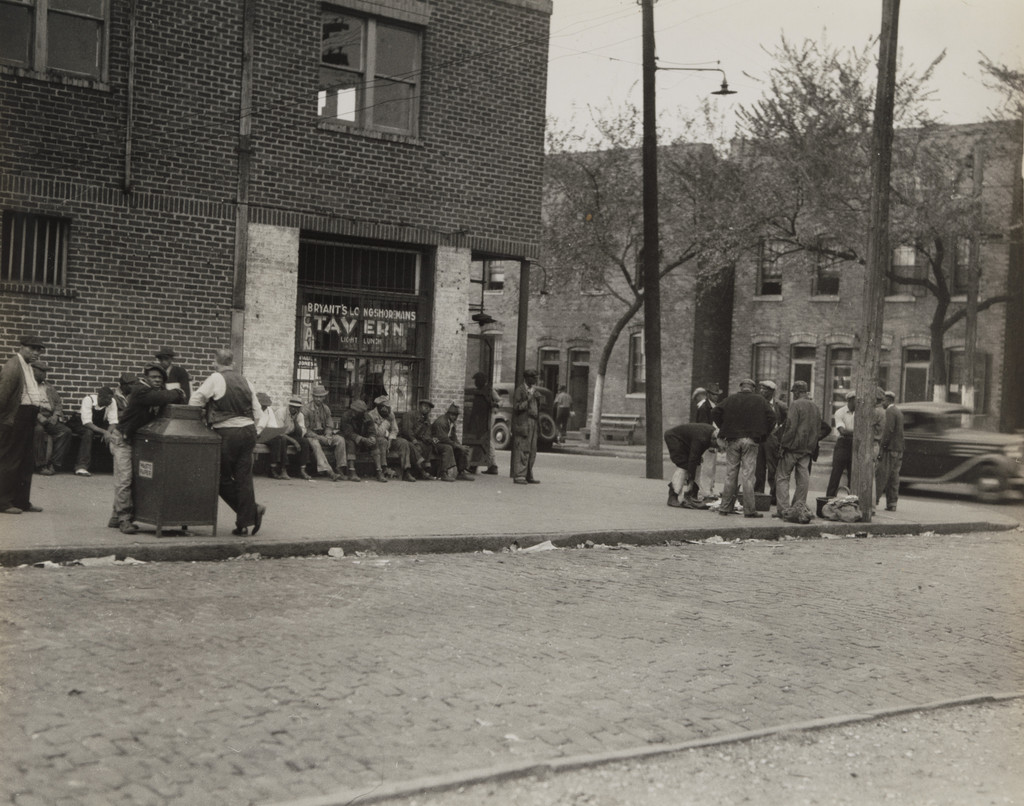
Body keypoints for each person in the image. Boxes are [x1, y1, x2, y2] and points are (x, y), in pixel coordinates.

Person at [188, 349, 265, 537]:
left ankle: (252, 511)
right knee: (244, 479)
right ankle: (244, 523)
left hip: (227, 432)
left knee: (220, 478)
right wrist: (254, 430)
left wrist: (200, 413)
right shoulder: (245, 381)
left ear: (216, 362)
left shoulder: (216, 378)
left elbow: (195, 399)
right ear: (233, 363)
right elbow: (258, 413)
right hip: (248, 431)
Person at [110, 364, 188, 534]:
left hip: (134, 440)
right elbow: (162, 397)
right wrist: (178, 392)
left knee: (130, 478)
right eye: (153, 377)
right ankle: (124, 519)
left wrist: (176, 395)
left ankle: (116, 517)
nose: (157, 380)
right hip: (122, 439)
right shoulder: (140, 390)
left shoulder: (156, 393)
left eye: (160, 378)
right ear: (146, 378)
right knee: (124, 479)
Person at [712, 378, 774, 518]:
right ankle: (749, 510)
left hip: (733, 440)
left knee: (730, 474)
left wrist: (724, 428)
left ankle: (725, 508)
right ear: (753, 388)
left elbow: (715, 412)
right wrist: (764, 434)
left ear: (741, 387)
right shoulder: (760, 400)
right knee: (748, 476)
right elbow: (772, 417)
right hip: (751, 440)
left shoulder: (731, 399)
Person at [0, 334, 48, 515]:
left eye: (39, 350)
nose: (36, 353)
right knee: (10, 460)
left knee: (26, 461)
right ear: (21, 347)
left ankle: (21, 501)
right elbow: (3, 396)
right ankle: (3, 502)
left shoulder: (28, 366)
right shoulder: (13, 366)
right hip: (15, 418)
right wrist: (5, 421)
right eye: (32, 348)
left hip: (28, 417)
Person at [774, 380, 822, 522]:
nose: (793, 394)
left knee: (782, 476)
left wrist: (783, 445)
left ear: (798, 392)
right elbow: (818, 428)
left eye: (794, 392)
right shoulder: (815, 406)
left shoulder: (795, 405)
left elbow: (790, 427)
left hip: (793, 447)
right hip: (807, 449)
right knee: (803, 478)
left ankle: (783, 510)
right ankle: (797, 508)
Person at [32, 361, 72, 476]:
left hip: (49, 416)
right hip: (34, 416)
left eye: (45, 372)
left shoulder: (49, 387)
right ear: (33, 371)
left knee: (65, 432)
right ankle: (40, 465)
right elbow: (25, 404)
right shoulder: (28, 386)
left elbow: (58, 403)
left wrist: (56, 415)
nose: (44, 374)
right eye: (42, 371)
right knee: (38, 430)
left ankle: (53, 463)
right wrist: (38, 416)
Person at [663, 422, 718, 509]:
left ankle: (693, 495)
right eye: (716, 446)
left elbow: (696, 456)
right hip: (674, 438)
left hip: (685, 441)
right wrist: (690, 479)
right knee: (683, 465)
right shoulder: (702, 438)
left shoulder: (711, 434)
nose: (716, 449)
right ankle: (673, 496)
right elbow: (693, 458)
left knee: (698, 463)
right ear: (714, 440)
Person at [368, 395, 416, 481]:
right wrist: (387, 421)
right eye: (384, 406)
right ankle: (382, 470)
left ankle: (406, 471)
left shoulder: (390, 414)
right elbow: (378, 433)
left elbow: (395, 430)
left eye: (388, 406)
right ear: (379, 406)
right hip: (377, 440)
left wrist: (391, 439)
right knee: (383, 441)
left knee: (403, 442)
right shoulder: (371, 415)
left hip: (389, 439)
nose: (387, 409)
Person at [302, 385, 345, 481]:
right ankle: (329, 471)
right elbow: (305, 429)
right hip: (311, 436)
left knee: (340, 440)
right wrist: (319, 437)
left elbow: (329, 425)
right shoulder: (306, 409)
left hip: (323, 434)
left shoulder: (326, 409)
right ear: (313, 397)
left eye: (320, 397)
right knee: (315, 444)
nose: (318, 399)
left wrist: (328, 435)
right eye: (316, 396)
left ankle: (340, 468)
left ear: (324, 397)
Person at [754, 380, 787, 505]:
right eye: (761, 388)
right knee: (759, 469)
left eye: (765, 389)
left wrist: (779, 433)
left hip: (772, 440)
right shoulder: (757, 403)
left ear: (772, 392)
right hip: (758, 439)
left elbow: (788, 421)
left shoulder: (780, 406)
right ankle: (758, 494)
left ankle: (774, 496)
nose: (761, 391)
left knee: (773, 469)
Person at [72, 384, 116, 477]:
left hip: (98, 424)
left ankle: (112, 467)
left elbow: (113, 422)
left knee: (115, 432)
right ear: (100, 397)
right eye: (107, 399)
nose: (110, 401)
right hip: (80, 422)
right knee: (88, 433)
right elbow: (87, 422)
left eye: (111, 399)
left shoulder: (112, 402)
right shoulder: (88, 399)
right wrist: (104, 432)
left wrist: (108, 432)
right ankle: (81, 467)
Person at [339, 398, 384, 481]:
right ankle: (352, 471)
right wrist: (363, 439)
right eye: (353, 410)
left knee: (375, 442)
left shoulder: (368, 417)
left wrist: (372, 438)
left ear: (362, 413)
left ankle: (379, 471)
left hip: (363, 441)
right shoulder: (345, 416)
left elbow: (372, 431)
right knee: (350, 443)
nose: (353, 413)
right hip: (349, 440)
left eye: (356, 412)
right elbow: (348, 433)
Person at [465, 371, 500, 474]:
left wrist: (493, 406)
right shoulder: (480, 391)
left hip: (486, 418)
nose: (475, 382)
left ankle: (488, 465)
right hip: (480, 419)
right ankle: (486, 465)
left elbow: (498, 401)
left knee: (485, 440)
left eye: (477, 380)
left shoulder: (489, 390)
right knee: (483, 440)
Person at [430, 403, 474, 481]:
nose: (455, 417)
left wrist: (460, 446)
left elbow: (453, 437)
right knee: (448, 448)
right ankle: (443, 473)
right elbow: (443, 438)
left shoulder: (451, 423)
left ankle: (461, 472)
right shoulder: (441, 422)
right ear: (448, 414)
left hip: (442, 442)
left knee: (460, 449)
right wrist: (457, 445)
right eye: (453, 415)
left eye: (456, 415)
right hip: (434, 442)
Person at [876, 390, 904, 512]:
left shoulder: (889, 412)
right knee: (894, 477)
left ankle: (874, 501)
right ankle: (892, 503)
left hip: (890, 449)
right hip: (899, 449)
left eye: (883, 400)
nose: (882, 403)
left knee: (881, 475)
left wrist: (882, 447)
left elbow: (888, 431)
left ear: (888, 400)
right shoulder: (898, 411)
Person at [512, 369, 541, 485]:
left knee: (532, 450)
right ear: (527, 378)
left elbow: (537, 407)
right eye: (533, 377)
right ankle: (519, 475)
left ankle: (528, 474)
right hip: (524, 422)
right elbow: (517, 407)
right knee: (523, 449)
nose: (535, 380)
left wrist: (537, 399)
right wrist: (528, 399)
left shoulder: (534, 390)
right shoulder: (520, 390)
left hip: (533, 422)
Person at [275, 395, 313, 480]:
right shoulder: (281, 412)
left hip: (292, 435)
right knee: (283, 440)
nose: (293, 409)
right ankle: (283, 470)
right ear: (289, 406)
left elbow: (302, 432)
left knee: (305, 441)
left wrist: (295, 421)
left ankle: (302, 470)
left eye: (296, 407)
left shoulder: (300, 415)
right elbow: (279, 432)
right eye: (292, 406)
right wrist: (294, 442)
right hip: (280, 435)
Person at [826, 391, 856, 497]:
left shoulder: (860, 413)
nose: (857, 403)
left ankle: (851, 500)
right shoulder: (840, 412)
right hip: (843, 444)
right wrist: (858, 432)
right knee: (836, 473)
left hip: (855, 445)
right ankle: (829, 498)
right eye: (855, 400)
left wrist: (851, 432)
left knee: (853, 475)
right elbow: (842, 431)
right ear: (849, 400)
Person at [398, 399, 437, 479]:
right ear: (420, 407)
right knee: (414, 447)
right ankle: (420, 471)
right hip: (404, 439)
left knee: (428, 446)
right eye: (425, 406)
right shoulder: (410, 415)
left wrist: (428, 439)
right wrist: (415, 441)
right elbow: (407, 431)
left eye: (429, 408)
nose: (427, 409)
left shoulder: (426, 420)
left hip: (415, 440)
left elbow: (427, 433)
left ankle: (423, 469)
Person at [693, 384, 721, 497]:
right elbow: (703, 427)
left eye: (717, 394)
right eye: (713, 394)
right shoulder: (704, 408)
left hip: (714, 439)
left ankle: (709, 488)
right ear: (708, 394)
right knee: (706, 466)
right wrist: (708, 442)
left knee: (711, 466)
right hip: (707, 441)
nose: (716, 397)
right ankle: (704, 491)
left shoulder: (715, 406)